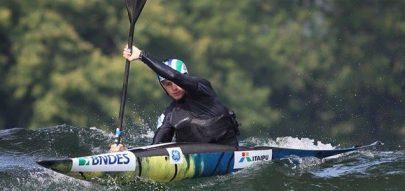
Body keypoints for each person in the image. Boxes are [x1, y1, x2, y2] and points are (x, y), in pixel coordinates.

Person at [110, 45, 240, 152]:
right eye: (167, 84)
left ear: (186, 79)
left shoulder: (202, 88)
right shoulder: (170, 115)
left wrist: (141, 56)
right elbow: (155, 148)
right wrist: (126, 153)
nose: (174, 88)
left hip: (230, 151)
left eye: (176, 82)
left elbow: (174, 76)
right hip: (199, 158)